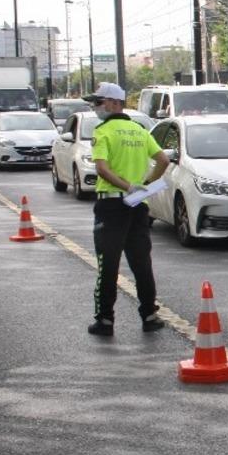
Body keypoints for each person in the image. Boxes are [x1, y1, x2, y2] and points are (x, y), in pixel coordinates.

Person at [83, 82, 170, 336]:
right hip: (138, 205)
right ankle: (149, 315)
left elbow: (102, 169)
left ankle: (105, 320)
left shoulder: (103, 131)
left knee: (108, 264)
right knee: (141, 262)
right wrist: (145, 185)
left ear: (114, 103)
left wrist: (127, 186)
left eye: (98, 102)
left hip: (111, 205)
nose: (95, 107)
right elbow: (163, 160)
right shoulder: (139, 131)